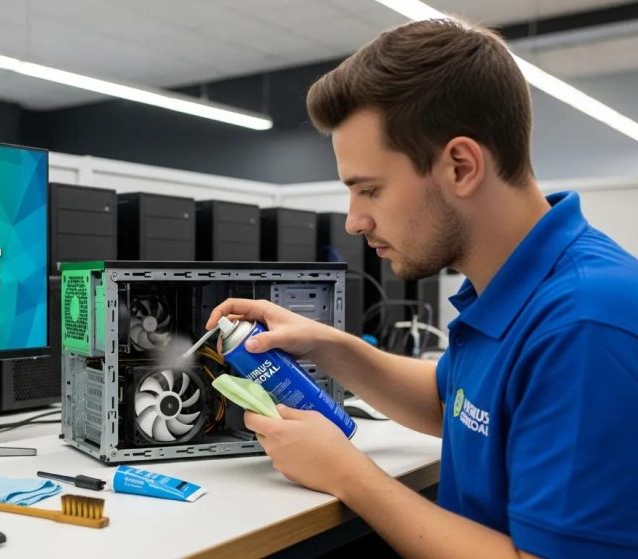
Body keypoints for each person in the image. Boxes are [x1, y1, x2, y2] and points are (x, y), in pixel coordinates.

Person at [207, 19, 638, 559]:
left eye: (370, 189)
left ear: (460, 166)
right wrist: (327, 346)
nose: (355, 222)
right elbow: (452, 405)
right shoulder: (514, 287)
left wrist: (348, 475)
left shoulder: (585, 326)